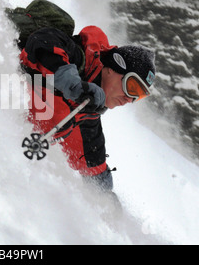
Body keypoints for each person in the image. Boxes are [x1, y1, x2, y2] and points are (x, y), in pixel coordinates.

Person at [20, 25, 156, 191]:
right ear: (113, 68)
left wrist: (109, 205)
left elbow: (94, 167)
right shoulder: (77, 59)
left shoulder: (87, 117)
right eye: (132, 87)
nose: (130, 98)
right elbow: (42, 40)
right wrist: (74, 85)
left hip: (7, 147)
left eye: (138, 95)